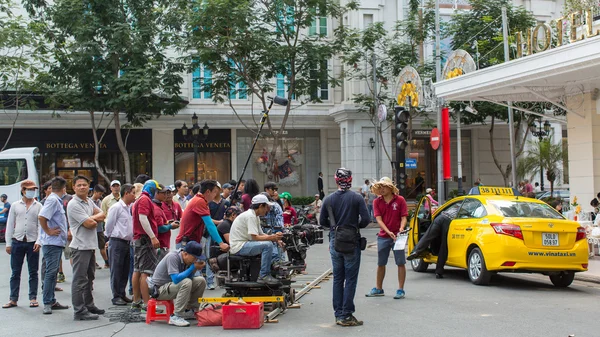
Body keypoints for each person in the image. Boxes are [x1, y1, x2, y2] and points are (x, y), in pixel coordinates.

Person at [319, 168, 370, 327]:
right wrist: (355, 226)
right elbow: (366, 219)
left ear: (336, 180)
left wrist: (335, 228)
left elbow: (322, 221)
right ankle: (347, 314)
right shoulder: (357, 198)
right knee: (350, 279)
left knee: (338, 278)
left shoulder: (328, 199)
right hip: (351, 239)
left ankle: (338, 314)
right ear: (350, 180)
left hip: (335, 239)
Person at [67, 175, 106, 320]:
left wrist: (91, 218)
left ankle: (89, 305)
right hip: (80, 246)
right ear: (74, 187)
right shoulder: (73, 204)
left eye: (85, 184)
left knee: (90, 277)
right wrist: (92, 218)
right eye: (79, 185)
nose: (82, 187)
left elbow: (102, 215)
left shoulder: (88, 201)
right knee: (79, 279)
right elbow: (90, 224)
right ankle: (79, 311)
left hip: (90, 246)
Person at [365, 177, 408, 299]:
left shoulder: (400, 200)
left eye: (384, 186)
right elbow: (379, 219)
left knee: (400, 262)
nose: (381, 189)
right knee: (381, 263)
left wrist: (401, 228)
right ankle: (379, 288)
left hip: (398, 236)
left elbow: (404, 217)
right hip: (384, 236)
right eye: (380, 187)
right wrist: (388, 231)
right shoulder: (377, 202)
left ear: (390, 188)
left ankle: (400, 289)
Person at [3, 180, 42, 309]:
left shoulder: (38, 206)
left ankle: (33, 298)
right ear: (23, 191)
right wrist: (8, 243)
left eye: (33, 189)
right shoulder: (15, 205)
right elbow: (10, 224)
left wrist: (38, 241)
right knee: (15, 272)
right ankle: (13, 299)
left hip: (32, 242)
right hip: (17, 241)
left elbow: (40, 226)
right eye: (29, 189)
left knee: (33, 272)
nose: (31, 191)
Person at [150, 241, 207, 327]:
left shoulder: (187, 260)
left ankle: (189, 310)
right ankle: (176, 316)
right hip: (159, 290)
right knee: (186, 282)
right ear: (185, 254)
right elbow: (176, 279)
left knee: (201, 281)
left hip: (171, 286)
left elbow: (190, 277)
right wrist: (193, 267)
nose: (195, 260)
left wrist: (195, 268)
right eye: (194, 257)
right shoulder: (173, 257)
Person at [229, 194, 283, 285]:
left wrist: (276, 239)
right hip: (239, 246)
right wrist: (272, 238)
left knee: (269, 242)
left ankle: (269, 269)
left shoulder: (254, 216)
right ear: (261, 206)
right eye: (266, 207)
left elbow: (261, 234)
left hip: (244, 243)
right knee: (268, 245)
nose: (267, 210)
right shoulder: (251, 216)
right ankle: (264, 275)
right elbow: (254, 237)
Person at [38, 177, 70, 314]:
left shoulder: (55, 200)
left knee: (53, 272)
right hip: (52, 243)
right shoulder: (52, 200)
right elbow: (42, 217)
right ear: (64, 189)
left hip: (56, 242)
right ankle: (47, 302)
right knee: (50, 273)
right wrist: (48, 231)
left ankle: (51, 299)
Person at [175, 180, 229, 255]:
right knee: (196, 264)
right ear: (208, 192)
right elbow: (209, 224)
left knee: (198, 265)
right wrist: (221, 243)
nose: (216, 195)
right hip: (187, 243)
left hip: (190, 242)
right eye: (215, 192)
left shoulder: (199, 200)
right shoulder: (200, 201)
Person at [131, 180, 162, 309]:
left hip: (139, 239)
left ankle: (137, 300)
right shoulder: (145, 200)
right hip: (145, 239)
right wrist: (153, 237)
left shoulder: (139, 199)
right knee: (146, 272)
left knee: (137, 270)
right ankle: (146, 303)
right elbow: (143, 218)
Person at [407, 205, 460, 279]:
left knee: (427, 236)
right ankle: (439, 271)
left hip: (439, 218)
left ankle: (416, 251)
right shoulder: (468, 206)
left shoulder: (455, 205)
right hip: (449, 222)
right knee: (443, 246)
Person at [105, 183, 136, 306]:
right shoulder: (116, 207)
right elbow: (109, 225)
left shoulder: (129, 208)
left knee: (125, 269)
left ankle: (122, 293)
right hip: (117, 241)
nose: (134, 196)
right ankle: (116, 295)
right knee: (116, 269)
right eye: (133, 193)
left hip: (127, 242)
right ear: (127, 193)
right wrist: (110, 237)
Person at [153, 184, 179, 261]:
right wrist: (170, 226)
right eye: (164, 193)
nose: (166, 195)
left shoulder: (159, 206)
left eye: (168, 193)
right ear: (157, 193)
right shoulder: (157, 208)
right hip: (160, 245)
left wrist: (167, 223)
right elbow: (159, 228)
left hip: (165, 243)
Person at [91, 184, 109, 269]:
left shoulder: (100, 202)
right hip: (92, 228)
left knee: (102, 246)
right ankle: (93, 262)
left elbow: (103, 215)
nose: (100, 196)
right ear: (95, 192)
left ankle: (106, 262)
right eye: (99, 194)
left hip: (99, 228)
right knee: (92, 247)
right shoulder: (90, 202)